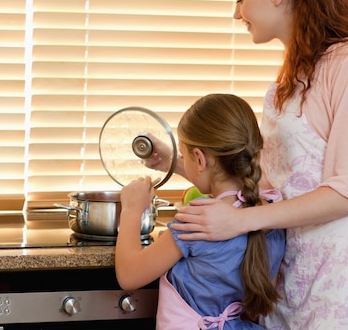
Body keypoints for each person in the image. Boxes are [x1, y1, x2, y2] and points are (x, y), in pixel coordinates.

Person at [147, 0, 348, 329]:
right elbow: (266, 180)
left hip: (346, 275)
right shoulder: (289, 80)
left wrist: (240, 221)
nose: (236, 12)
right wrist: (177, 165)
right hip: (293, 278)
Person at [115, 93, 286, 330]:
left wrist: (131, 211)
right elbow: (222, 183)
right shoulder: (271, 213)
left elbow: (129, 275)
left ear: (199, 159)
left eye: (184, 155)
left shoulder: (197, 221)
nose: (182, 161)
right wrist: (174, 162)